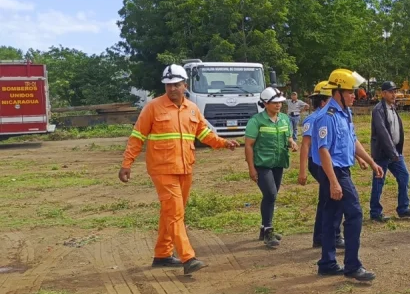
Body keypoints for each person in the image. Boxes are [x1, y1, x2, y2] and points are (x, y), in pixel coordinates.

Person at [119, 64, 239, 275]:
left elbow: (203, 134)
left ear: (185, 85)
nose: (172, 88)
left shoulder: (192, 108)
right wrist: (126, 163)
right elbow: (137, 136)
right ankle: (188, 257)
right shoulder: (153, 107)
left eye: (176, 84)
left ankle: (163, 254)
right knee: (175, 213)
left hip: (185, 168)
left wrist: (222, 143)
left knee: (172, 212)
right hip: (162, 169)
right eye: (168, 85)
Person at [313, 68, 383, 281]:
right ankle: (352, 266)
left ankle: (327, 263)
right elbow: (323, 150)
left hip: (341, 170)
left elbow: (352, 141)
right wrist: (334, 182)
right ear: (338, 92)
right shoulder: (327, 117)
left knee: (331, 215)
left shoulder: (346, 113)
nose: (355, 95)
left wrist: (371, 162)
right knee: (354, 214)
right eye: (350, 91)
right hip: (334, 172)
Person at [244, 86, 298, 248]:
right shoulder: (256, 121)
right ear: (265, 103)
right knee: (270, 194)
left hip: (278, 163)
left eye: (280, 102)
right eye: (275, 103)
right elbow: (248, 146)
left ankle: (264, 228)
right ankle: (268, 231)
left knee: (271, 196)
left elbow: (287, 137)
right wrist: (251, 168)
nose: (278, 105)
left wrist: (292, 143)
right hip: (262, 164)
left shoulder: (284, 119)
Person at [298, 81, 345, 249]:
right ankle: (333, 235)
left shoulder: (332, 115)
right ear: (324, 100)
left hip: (327, 162)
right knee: (333, 198)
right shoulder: (315, 118)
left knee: (326, 199)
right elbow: (305, 145)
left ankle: (321, 236)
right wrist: (302, 171)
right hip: (319, 163)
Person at [369, 81, 410, 222]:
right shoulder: (378, 110)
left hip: (395, 152)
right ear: (383, 94)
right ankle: (375, 212)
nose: (393, 94)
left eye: (394, 91)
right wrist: (393, 153)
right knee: (378, 182)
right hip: (383, 153)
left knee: (404, 176)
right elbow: (383, 133)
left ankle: (403, 209)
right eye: (390, 92)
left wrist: (396, 152)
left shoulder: (392, 108)